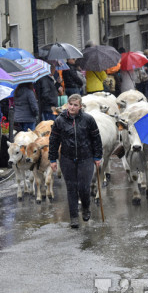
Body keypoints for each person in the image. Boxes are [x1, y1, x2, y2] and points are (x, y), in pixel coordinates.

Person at [48, 94, 103, 229]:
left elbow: (96, 139)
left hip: (86, 158)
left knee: (84, 187)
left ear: (80, 106)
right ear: (67, 105)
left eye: (75, 105)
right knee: (71, 188)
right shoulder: (59, 121)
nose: (72, 107)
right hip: (67, 158)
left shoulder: (88, 120)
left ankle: (85, 207)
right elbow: (54, 140)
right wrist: (52, 158)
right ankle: (73, 217)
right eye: (70, 104)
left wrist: (97, 156)